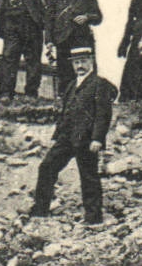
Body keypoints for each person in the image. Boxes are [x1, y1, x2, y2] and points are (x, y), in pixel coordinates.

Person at [26, 47, 117, 226]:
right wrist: (57, 135)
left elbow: (103, 114)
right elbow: (66, 113)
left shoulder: (99, 84)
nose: (80, 66)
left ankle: (93, 217)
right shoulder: (71, 85)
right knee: (47, 167)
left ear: (91, 61)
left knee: (88, 176)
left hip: (87, 139)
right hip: (67, 138)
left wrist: (98, 139)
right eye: (76, 62)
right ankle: (40, 209)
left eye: (83, 61)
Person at [44, 0, 103, 98]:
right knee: (64, 74)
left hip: (82, 39)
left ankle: (88, 101)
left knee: (86, 73)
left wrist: (87, 17)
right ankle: (65, 103)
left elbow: (98, 17)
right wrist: (49, 41)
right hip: (62, 41)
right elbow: (49, 21)